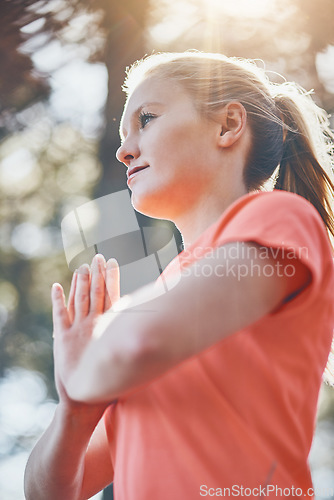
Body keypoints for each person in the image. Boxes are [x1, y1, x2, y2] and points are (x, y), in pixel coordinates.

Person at [24, 51, 334, 500]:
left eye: (146, 119)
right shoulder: (163, 294)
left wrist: (97, 354)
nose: (124, 149)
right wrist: (74, 404)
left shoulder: (279, 217)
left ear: (228, 125)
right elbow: (47, 492)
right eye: (123, 133)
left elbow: (138, 342)